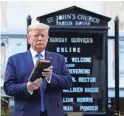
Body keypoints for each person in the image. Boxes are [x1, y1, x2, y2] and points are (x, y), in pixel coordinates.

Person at [3, 23, 72, 116]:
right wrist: (27, 87)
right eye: (36, 35)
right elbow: (8, 88)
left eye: (43, 35)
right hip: (25, 112)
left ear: (47, 39)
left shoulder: (59, 58)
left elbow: (68, 82)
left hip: (53, 112)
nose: (40, 38)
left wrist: (51, 77)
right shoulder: (15, 60)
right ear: (29, 39)